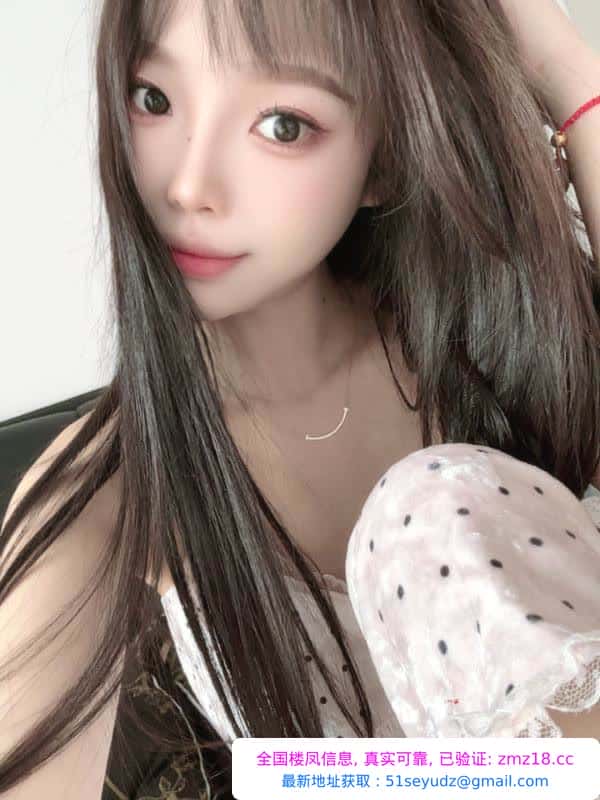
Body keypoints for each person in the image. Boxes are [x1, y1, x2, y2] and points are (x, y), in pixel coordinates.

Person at [1, 0, 600, 797]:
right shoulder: (99, 499)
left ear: (384, 160)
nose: (189, 185)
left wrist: (570, 75)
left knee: (423, 513)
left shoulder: (489, 336)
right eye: (154, 98)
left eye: (283, 125)